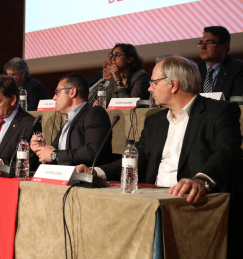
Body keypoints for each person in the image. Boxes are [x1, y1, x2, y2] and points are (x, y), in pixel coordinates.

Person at [77, 55, 243, 257]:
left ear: (173, 85)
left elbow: (228, 152)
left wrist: (202, 179)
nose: (149, 88)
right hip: (151, 201)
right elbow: (137, 158)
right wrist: (98, 171)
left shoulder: (219, 112)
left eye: (154, 83)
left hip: (189, 202)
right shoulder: (155, 121)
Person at [30, 73, 112, 166]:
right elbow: (56, 154)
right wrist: (42, 149)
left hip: (83, 178)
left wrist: (54, 155)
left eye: (58, 92)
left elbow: (93, 151)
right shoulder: (69, 121)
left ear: (72, 92)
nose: (54, 98)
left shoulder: (94, 113)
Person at [198, 26, 243, 101]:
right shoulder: (194, 70)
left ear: (224, 47)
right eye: (201, 43)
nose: (203, 47)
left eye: (209, 43)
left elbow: (237, 102)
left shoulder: (238, 68)